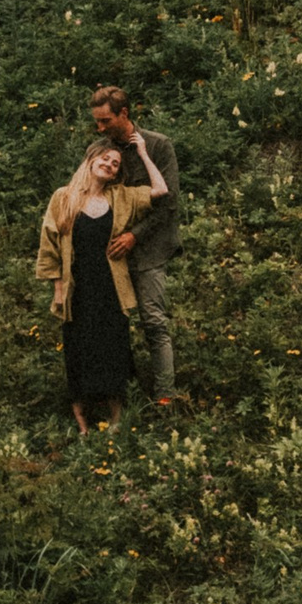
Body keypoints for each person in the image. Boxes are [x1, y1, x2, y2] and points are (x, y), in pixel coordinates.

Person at [33, 138, 164, 438]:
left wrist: (142, 152)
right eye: (105, 159)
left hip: (110, 288)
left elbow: (160, 190)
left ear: (117, 174)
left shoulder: (121, 197)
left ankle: (115, 418)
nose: (109, 164)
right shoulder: (63, 197)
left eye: (115, 163)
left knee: (113, 348)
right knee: (79, 350)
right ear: (91, 160)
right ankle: (82, 424)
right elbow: (50, 244)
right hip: (77, 289)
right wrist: (57, 286)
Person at [88, 82, 182, 401]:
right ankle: (120, 393)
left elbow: (168, 206)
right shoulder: (103, 150)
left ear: (124, 113)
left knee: (153, 322)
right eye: (97, 121)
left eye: (105, 121)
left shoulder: (157, 146)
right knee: (114, 324)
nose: (100, 127)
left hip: (150, 249)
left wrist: (134, 235)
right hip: (112, 251)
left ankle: (165, 397)